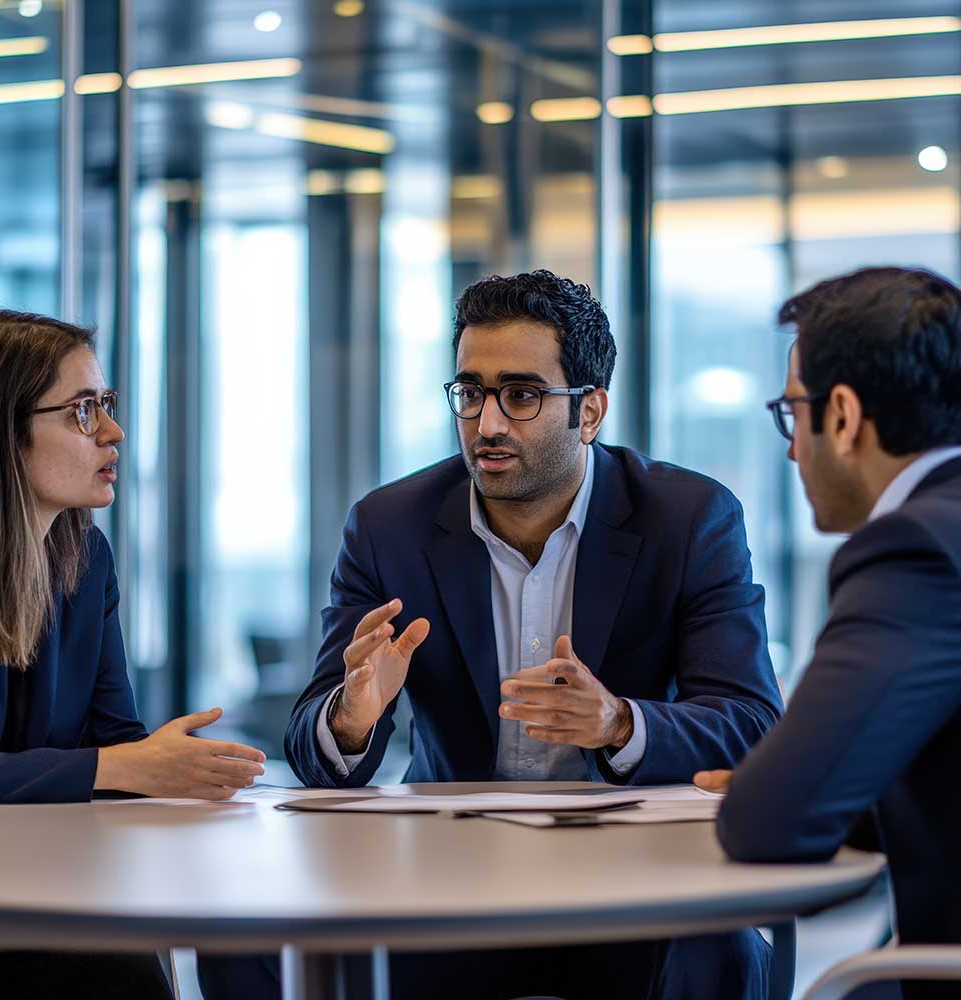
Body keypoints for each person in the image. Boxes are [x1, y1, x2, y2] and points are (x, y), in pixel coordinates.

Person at [276, 270, 783, 999]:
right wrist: (350, 719)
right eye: (470, 393)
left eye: (521, 395)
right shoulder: (391, 528)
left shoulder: (690, 518)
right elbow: (313, 753)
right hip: (451, 879)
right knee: (270, 949)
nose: (486, 424)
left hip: (638, 874)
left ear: (590, 411)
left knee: (725, 955)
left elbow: (749, 722)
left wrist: (618, 724)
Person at [0, 309, 267, 999]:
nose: (113, 432)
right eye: (82, 411)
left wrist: (169, 762)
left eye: (106, 405)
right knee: (104, 965)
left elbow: (118, 744)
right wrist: (119, 764)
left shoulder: (83, 557)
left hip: (42, 896)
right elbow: (112, 762)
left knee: (207, 939)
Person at [694, 267, 961, 1000]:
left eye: (792, 414)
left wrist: (778, 783)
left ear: (841, 417)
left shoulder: (916, 549)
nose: (790, 450)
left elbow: (768, 826)